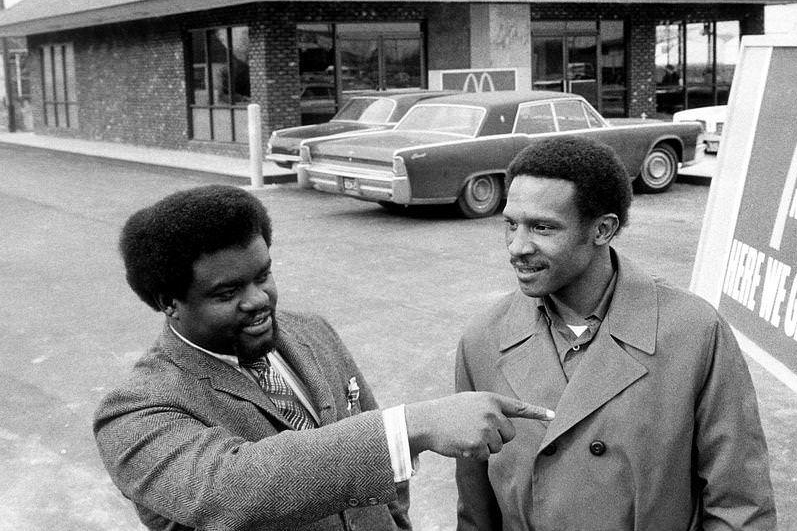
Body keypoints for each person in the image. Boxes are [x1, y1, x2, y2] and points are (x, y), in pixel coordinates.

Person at [93, 184, 552, 531]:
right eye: (228, 292)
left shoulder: (310, 332)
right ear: (169, 301)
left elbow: (382, 474)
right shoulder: (135, 412)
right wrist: (413, 426)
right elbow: (230, 490)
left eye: (263, 275)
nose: (259, 300)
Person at [454, 137, 776, 530]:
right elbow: (475, 513)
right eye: (510, 224)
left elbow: (739, 508)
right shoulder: (482, 340)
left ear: (603, 229)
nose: (517, 247)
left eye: (542, 227)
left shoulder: (693, 332)